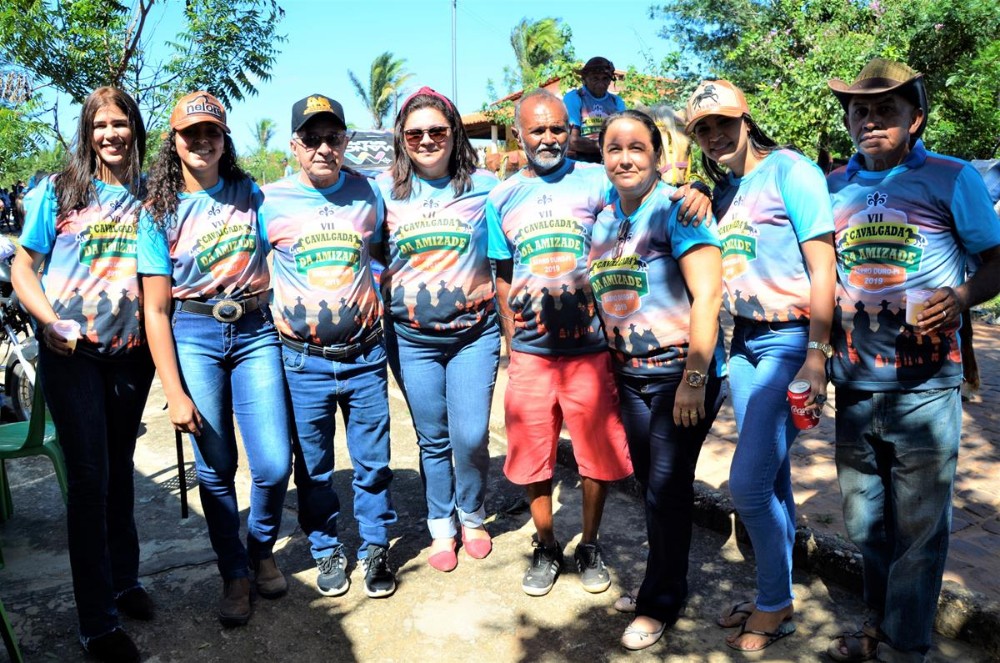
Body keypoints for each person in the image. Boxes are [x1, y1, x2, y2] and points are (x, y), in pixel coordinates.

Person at [487, 89, 711, 597]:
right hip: (532, 354)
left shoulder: (598, 182)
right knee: (532, 456)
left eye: (557, 128)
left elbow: (649, 193)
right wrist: (510, 330)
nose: (548, 138)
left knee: (596, 457)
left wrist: (692, 187)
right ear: (519, 135)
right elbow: (502, 271)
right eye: (537, 130)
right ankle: (545, 545)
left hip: (591, 351)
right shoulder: (500, 197)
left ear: (571, 131)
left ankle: (589, 542)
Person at [823, 58, 1000, 663]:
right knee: (865, 522)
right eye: (860, 110)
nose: (870, 120)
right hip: (852, 381)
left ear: (915, 119)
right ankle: (877, 623)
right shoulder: (830, 186)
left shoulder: (952, 178)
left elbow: (996, 260)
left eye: (887, 110)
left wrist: (960, 297)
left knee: (921, 530)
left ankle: (905, 646)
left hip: (926, 383)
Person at [685, 79, 836, 652]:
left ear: (747, 119)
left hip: (791, 343)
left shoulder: (791, 171)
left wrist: (818, 357)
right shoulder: (721, 190)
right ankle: (778, 593)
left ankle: (775, 602)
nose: (716, 134)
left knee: (746, 487)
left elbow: (824, 270)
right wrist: (699, 186)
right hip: (744, 344)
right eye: (704, 128)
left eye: (724, 122)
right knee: (771, 480)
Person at [11, 86, 154, 663]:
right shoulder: (59, 191)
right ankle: (96, 623)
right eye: (100, 125)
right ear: (87, 132)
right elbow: (24, 267)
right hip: (72, 355)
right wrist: (47, 321)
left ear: (136, 130)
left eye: (121, 124)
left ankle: (125, 580)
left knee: (120, 467)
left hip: (133, 352)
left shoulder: (152, 193)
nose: (111, 134)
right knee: (89, 479)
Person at [139, 91, 292, 627]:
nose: (202, 141)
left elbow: (296, 237)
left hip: (254, 330)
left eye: (212, 132)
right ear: (173, 142)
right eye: (191, 133)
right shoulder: (157, 211)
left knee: (273, 465)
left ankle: (260, 549)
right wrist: (173, 391)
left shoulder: (252, 195)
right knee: (217, 467)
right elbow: (156, 308)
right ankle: (234, 573)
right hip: (195, 333)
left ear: (225, 140)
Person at [588, 109, 725, 650]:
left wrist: (695, 376)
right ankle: (662, 580)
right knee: (652, 487)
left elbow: (709, 295)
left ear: (658, 156)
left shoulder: (678, 211)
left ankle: (659, 603)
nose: (624, 157)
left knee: (667, 490)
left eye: (636, 148)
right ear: (603, 157)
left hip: (678, 377)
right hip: (631, 377)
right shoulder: (603, 220)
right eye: (614, 148)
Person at [260, 93, 397, 599]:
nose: (323, 148)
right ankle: (325, 548)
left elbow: (382, 251)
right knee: (312, 468)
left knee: (373, 462)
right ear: (295, 145)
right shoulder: (268, 201)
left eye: (332, 138)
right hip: (303, 361)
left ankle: (376, 546)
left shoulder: (368, 193)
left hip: (365, 356)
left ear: (345, 142)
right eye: (312, 139)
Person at [375, 87, 499, 572]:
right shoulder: (382, 190)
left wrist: (685, 188)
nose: (426, 140)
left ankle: (473, 513)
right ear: (402, 140)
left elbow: (552, 192)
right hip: (410, 339)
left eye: (437, 131)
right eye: (415, 133)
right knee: (432, 438)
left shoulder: (488, 186)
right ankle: (441, 526)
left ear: (454, 134)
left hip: (475, 333)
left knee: (470, 435)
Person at [563, 56, 626, 164]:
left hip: (609, 158)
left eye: (605, 78)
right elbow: (573, 141)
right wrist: (608, 146)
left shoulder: (616, 101)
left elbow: (623, 136)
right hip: (581, 160)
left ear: (610, 80)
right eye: (595, 78)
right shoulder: (575, 97)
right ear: (584, 80)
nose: (600, 83)